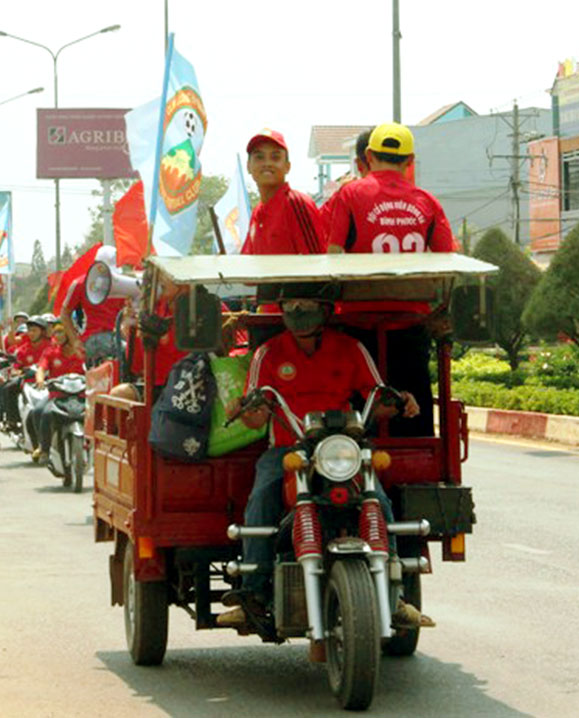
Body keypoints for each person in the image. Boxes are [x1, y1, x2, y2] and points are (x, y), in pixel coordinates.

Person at [215, 286, 419, 628]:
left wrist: (401, 402)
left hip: (342, 448)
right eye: (290, 304)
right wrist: (242, 408)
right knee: (262, 495)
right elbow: (257, 414)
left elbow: (377, 397)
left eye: (305, 304)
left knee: (379, 501)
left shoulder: (350, 348)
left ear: (325, 310)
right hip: (288, 448)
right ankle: (253, 592)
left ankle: (394, 597)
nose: (297, 310)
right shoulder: (268, 353)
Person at [324, 122, 458, 437]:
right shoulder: (428, 201)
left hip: (358, 326)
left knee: (359, 410)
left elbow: (333, 254)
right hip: (411, 325)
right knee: (414, 412)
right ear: (409, 161)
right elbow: (445, 260)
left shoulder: (350, 194)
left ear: (369, 156)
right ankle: (418, 466)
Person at [240, 129, 325, 255]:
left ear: (287, 167)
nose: (267, 163)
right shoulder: (257, 212)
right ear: (248, 166)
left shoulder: (297, 204)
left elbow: (317, 262)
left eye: (275, 157)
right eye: (259, 157)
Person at [59, 246, 127, 368]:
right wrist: (74, 341)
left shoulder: (123, 284)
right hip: (94, 338)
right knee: (124, 353)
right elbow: (64, 312)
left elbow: (126, 314)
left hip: (115, 337)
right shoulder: (80, 284)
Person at [30, 322, 86, 462]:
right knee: (39, 411)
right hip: (57, 396)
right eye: (56, 332)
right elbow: (41, 368)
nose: (58, 335)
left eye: (62, 331)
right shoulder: (50, 351)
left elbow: (93, 368)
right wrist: (40, 380)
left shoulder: (83, 352)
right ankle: (44, 447)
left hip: (81, 396)